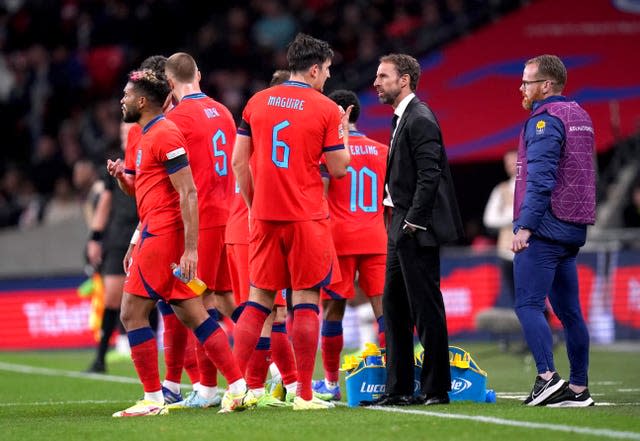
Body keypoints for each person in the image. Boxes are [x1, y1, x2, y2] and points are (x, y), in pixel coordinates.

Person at [108, 69, 252, 417]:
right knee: (192, 312)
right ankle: (237, 386)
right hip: (158, 230)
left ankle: (154, 398)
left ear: (143, 101)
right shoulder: (147, 135)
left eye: (127, 94)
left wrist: (189, 249)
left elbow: (188, 192)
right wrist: (123, 181)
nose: (122, 100)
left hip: (164, 234)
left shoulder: (166, 134)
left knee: (131, 312)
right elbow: (147, 191)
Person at [231, 33, 350, 410]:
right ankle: (305, 395)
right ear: (314, 69)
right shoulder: (327, 109)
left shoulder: (256, 102)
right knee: (306, 300)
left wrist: (254, 205)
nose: (328, 77)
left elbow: (238, 163)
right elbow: (339, 168)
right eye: (327, 70)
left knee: (258, 300)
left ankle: (236, 391)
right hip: (306, 216)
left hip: (264, 216)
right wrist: (342, 133)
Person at [368, 53, 463, 407]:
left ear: (404, 79)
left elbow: (430, 173)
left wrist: (413, 222)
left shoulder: (419, 117)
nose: (375, 82)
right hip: (400, 226)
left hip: (413, 228)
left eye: (383, 76)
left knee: (426, 309)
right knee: (394, 309)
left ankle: (436, 389)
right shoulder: (403, 118)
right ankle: (398, 388)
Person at [512, 54, 596, 407]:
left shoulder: (545, 120)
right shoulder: (580, 115)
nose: (521, 87)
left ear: (546, 85)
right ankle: (578, 389)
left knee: (528, 305)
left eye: (527, 81)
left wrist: (525, 227)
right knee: (570, 312)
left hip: (545, 227)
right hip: (572, 228)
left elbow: (541, 180)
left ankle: (547, 379)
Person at [160, 52, 238, 409]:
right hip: (229, 214)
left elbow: (173, 179)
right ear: (200, 75)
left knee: (195, 304)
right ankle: (274, 372)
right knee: (226, 300)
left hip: (201, 219)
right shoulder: (222, 111)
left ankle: (209, 389)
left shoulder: (175, 119)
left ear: (170, 83)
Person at [313, 89, 388, 402]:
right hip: (376, 238)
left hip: (338, 241)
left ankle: (331, 383)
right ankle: (392, 381)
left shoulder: (328, 155)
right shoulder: (384, 150)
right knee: (386, 313)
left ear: (340, 113)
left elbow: (319, 198)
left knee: (333, 311)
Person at [85, 123, 138, 373]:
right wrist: (95, 237)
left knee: (156, 299)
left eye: (128, 130)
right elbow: (105, 202)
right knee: (112, 297)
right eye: (122, 132)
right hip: (119, 236)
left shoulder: (148, 153)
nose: (124, 135)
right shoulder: (116, 162)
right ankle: (100, 357)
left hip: (146, 231)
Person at [483, 150, 517, 306]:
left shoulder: (533, 185)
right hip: (507, 251)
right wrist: (513, 216)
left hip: (532, 250)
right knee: (515, 296)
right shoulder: (501, 189)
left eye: (514, 161)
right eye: (507, 163)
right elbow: (489, 219)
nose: (511, 166)